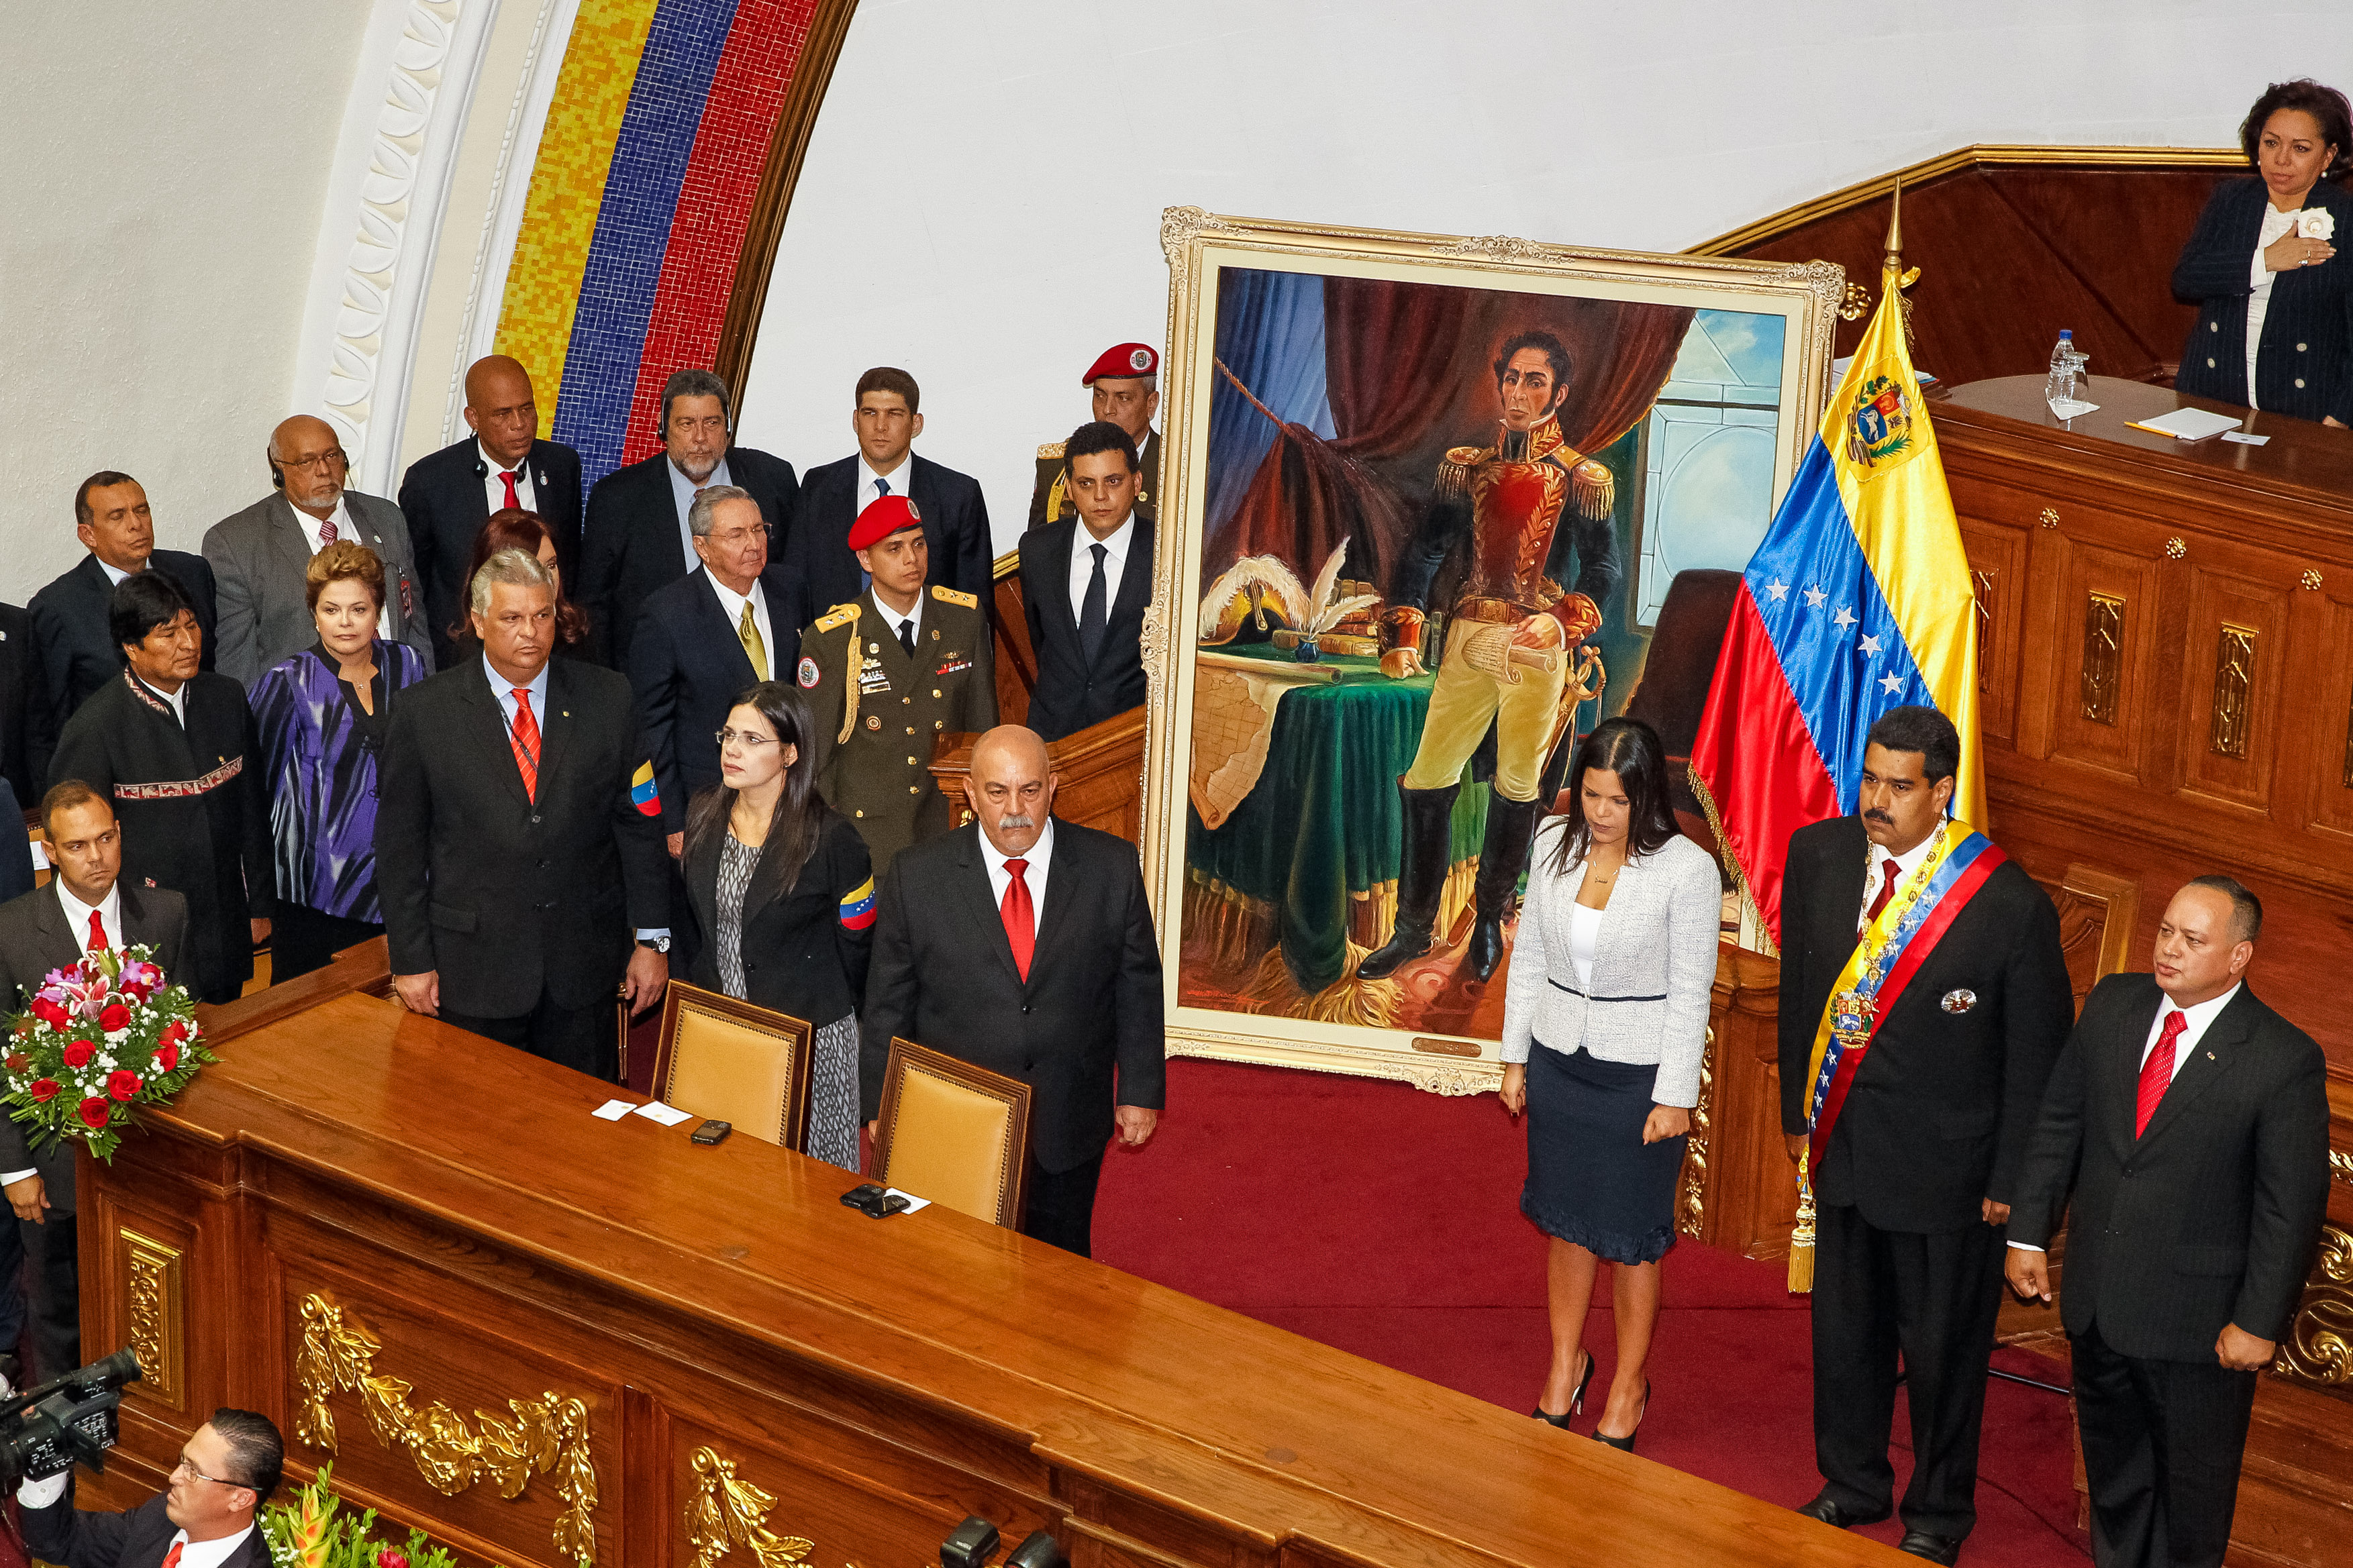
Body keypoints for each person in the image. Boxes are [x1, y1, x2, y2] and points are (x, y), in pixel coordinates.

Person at [1777, 704, 2074, 1565]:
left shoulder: (2005, 905)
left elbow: (2035, 1062)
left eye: (1897, 787)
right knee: (1845, 1339)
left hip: (1951, 1178)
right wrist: (1799, 1121)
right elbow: (1804, 995)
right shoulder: (1819, 857)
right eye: (1868, 779)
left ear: (1940, 792)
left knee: (1942, 1359)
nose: (1875, 799)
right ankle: (1852, 1480)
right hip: (1844, 1155)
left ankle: (1938, 1513)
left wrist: (2013, 1186)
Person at [2007, 877, 2330, 1568]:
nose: (2169, 950)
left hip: (2199, 1329)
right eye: (2163, 932)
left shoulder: (2281, 1059)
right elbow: (2059, 1121)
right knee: (2116, 1484)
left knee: (2189, 1504)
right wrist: (2028, 1232)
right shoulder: (2114, 1004)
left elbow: (2288, 1207)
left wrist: (2259, 1322)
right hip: (2098, 1303)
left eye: (2191, 939)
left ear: (2238, 956)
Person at [1360, 329, 1620, 984]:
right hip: (1468, 640)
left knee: (1516, 787)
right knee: (1426, 781)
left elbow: (1603, 570)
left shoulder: (1584, 479)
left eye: (1535, 382)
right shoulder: (1464, 466)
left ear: (1557, 394)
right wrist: (1407, 634)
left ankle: (1486, 919)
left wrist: (1560, 624)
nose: (1519, 392)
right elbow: (1422, 554)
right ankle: (1412, 930)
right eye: (1511, 379)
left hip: (1536, 652)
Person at [1497, 717, 1719, 1453]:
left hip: (1638, 1079)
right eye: (1590, 794)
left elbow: (1691, 991)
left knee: (1630, 1242)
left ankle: (1627, 1382)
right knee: (1563, 1224)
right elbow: (1527, 959)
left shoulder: (1684, 871)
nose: (1597, 813)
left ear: (1645, 799)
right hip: (1559, 1062)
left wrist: (1674, 1095)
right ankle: (1566, 1363)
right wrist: (1511, 1057)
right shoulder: (1550, 845)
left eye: (1616, 801)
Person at [861, 725, 1162, 1255]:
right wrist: (882, 1103)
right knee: (959, 1272)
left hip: (1067, 1118)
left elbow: (1137, 984)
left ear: (1053, 786)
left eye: (1029, 790)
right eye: (997, 792)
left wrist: (1139, 1089)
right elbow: (888, 1004)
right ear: (972, 794)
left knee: (1060, 1273)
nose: (1015, 808)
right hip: (958, 1118)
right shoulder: (918, 875)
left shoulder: (1110, 867)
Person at [374, 549, 670, 1078]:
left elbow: (639, 825)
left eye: (542, 615)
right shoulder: (424, 712)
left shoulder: (609, 697)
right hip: (473, 972)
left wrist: (652, 939)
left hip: (582, 968)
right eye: (511, 618)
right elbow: (399, 848)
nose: (530, 632)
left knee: (583, 1132)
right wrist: (411, 959)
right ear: (479, 620)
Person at [0, 783, 187, 1380]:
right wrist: (16, 1169)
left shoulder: (166, 913)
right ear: (50, 851)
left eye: (106, 838)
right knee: (58, 1311)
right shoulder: (10, 930)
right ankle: (58, 1447)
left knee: (152, 1307)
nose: (97, 857)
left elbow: (188, 1037)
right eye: (77, 845)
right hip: (52, 1168)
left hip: (148, 1160)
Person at [49, 574, 272, 1006]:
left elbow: (252, 811)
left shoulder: (226, 697)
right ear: (131, 648)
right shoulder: (96, 726)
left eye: (191, 626)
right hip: (143, 930)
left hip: (227, 918)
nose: (187, 643)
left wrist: (260, 904)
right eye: (167, 633)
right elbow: (73, 844)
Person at [681, 683, 874, 1170]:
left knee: (813, 1187)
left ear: (789, 753)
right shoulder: (704, 816)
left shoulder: (832, 838)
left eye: (752, 739)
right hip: (725, 1031)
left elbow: (859, 947)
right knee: (732, 1177)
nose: (732, 749)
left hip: (810, 1038)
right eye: (728, 735)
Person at [250, 543, 432, 981]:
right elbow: (258, 795)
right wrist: (255, 897)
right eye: (332, 609)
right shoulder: (285, 683)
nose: (346, 622)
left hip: (398, 881)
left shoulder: (408, 664)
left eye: (359, 608)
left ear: (378, 611)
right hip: (315, 895)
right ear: (314, 613)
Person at [796, 496, 997, 870]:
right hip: (869, 834)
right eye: (895, 548)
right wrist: (831, 838)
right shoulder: (834, 638)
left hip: (948, 823)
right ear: (865, 560)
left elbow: (982, 728)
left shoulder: (961, 618)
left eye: (919, 544)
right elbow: (816, 754)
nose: (912, 559)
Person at [578, 368, 799, 669]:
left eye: (712, 423)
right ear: (663, 428)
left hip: (758, 667)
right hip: (656, 678)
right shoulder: (616, 498)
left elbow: (793, 579)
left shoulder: (774, 479)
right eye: (686, 424)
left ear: (728, 426)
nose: (700, 438)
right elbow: (593, 608)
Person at [2172, 79, 2353, 426]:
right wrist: (2266, 260)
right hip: (2212, 394)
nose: (2281, 160)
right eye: (2271, 143)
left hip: (2305, 409)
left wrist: (2341, 416)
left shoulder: (2345, 218)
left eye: (2300, 149)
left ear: (2328, 155)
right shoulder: (2231, 200)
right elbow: (2186, 280)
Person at [628, 485, 796, 857]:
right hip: (709, 806)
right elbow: (651, 727)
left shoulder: (792, 590)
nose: (754, 544)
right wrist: (673, 819)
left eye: (758, 529)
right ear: (702, 547)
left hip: (789, 803)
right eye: (737, 534)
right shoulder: (666, 615)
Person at [203, 415, 432, 684]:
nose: (324, 470)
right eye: (306, 462)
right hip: (306, 714)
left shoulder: (386, 517)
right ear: (279, 469)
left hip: (396, 700)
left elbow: (414, 623)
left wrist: (425, 698)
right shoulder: (236, 543)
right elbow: (236, 665)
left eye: (332, 456)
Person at [398, 354, 585, 668]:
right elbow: (416, 585)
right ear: (473, 417)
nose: (519, 424)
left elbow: (571, 564)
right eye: (503, 414)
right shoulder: (430, 482)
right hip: (462, 659)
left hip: (546, 655)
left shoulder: (561, 467)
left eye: (527, 409)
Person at [777, 368, 993, 635]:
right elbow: (795, 585)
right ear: (856, 421)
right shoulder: (818, 487)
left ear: (916, 424)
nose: (880, 426)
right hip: (838, 657)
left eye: (894, 414)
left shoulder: (957, 494)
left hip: (928, 661)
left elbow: (975, 605)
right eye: (870, 414)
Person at [30, 471, 220, 727]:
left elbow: (209, 668)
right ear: (89, 535)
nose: (136, 524)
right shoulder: (58, 606)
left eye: (142, 511)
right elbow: (51, 716)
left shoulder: (192, 572)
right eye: (117, 516)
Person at [1017, 421, 1155, 743]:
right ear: (1069, 489)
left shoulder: (1166, 553)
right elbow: (1042, 640)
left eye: (1113, 481)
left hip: (1133, 739)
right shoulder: (1037, 550)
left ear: (1136, 483)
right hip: (1053, 739)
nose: (1100, 496)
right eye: (1086, 483)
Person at [19, 1408, 281, 1568]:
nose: (174, 1477)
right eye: (183, 1461)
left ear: (240, 1499)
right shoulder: (160, 1517)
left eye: (194, 1471)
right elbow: (60, 1541)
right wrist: (48, 1458)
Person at [1028, 342, 1162, 528]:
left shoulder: (1177, 468)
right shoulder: (1056, 465)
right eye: (1100, 396)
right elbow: (1041, 545)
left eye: (1122, 398)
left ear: (1151, 404)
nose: (1108, 410)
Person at [446, 507, 591, 659]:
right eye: (533, 568)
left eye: (551, 566)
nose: (547, 579)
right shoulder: (469, 657)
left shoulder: (576, 638)